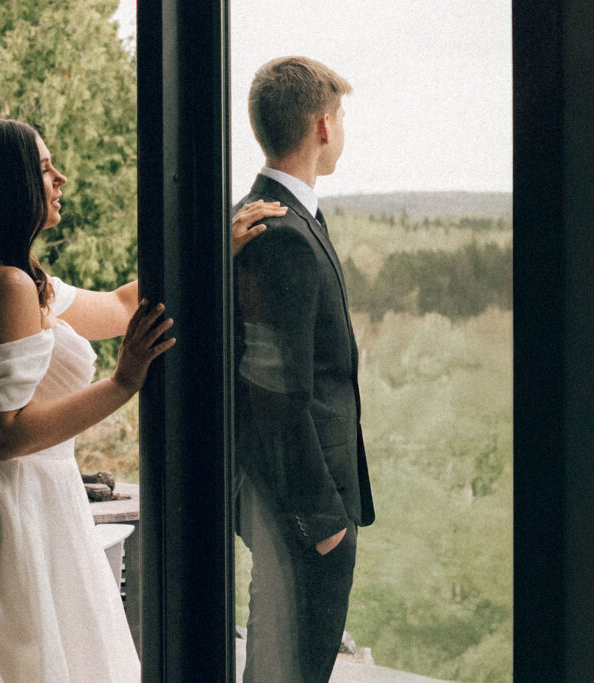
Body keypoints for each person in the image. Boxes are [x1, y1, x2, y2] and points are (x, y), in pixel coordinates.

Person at [0, 118, 275, 682]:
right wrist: (123, 382)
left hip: (22, 503)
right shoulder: (3, 287)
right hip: (7, 518)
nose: (60, 177)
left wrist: (211, 251)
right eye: (45, 167)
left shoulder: (17, 279)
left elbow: (118, 308)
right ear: (9, 184)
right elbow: (5, 435)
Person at [233, 57, 375, 681]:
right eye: (340, 116)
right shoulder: (278, 231)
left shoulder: (279, 215)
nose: (342, 129)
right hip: (304, 509)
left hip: (299, 501)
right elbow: (275, 395)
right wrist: (322, 525)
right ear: (322, 125)